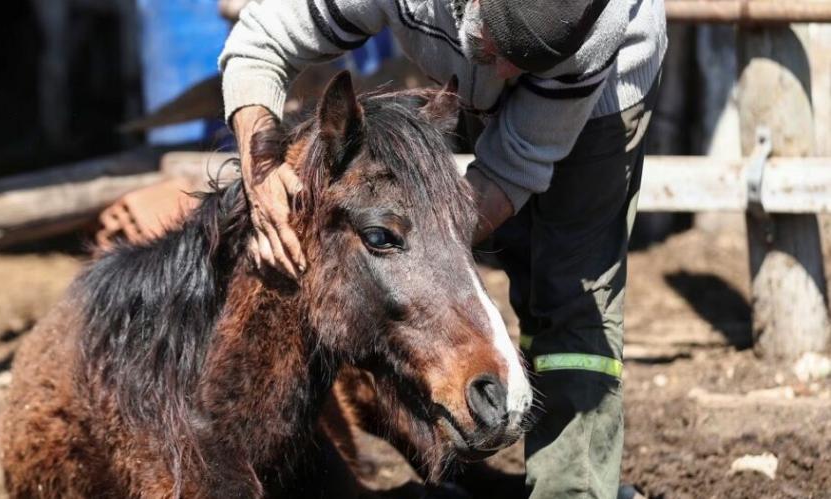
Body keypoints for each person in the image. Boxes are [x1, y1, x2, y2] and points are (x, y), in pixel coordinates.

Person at [104, 0, 665, 496]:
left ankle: (574, 490)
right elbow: (259, 42)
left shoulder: (598, 30)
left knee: (570, 291)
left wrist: (416, 249)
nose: (508, 76)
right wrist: (263, 170)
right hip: (459, 62)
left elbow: (516, 166)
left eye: (525, 63)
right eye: (500, 51)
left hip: (596, 99)